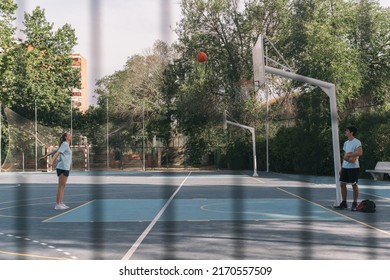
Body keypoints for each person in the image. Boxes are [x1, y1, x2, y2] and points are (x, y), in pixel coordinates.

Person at [335, 126, 363, 211]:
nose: (345, 132)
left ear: (351, 133)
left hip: (354, 167)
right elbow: (344, 156)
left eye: (347, 131)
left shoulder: (357, 142)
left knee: (354, 185)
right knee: (342, 184)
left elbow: (360, 153)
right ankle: (344, 203)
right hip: (345, 167)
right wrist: (342, 167)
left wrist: (349, 155)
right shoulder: (346, 143)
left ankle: (354, 203)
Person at [49, 132, 72, 210]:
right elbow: (57, 153)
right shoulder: (65, 144)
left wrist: (48, 154)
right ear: (65, 137)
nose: (71, 136)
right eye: (69, 135)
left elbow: (55, 151)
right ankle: (58, 204)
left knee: (63, 186)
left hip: (65, 167)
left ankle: (61, 203)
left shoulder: (65, 145)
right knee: (61, 186)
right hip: (62, 167)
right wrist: (51, 161)